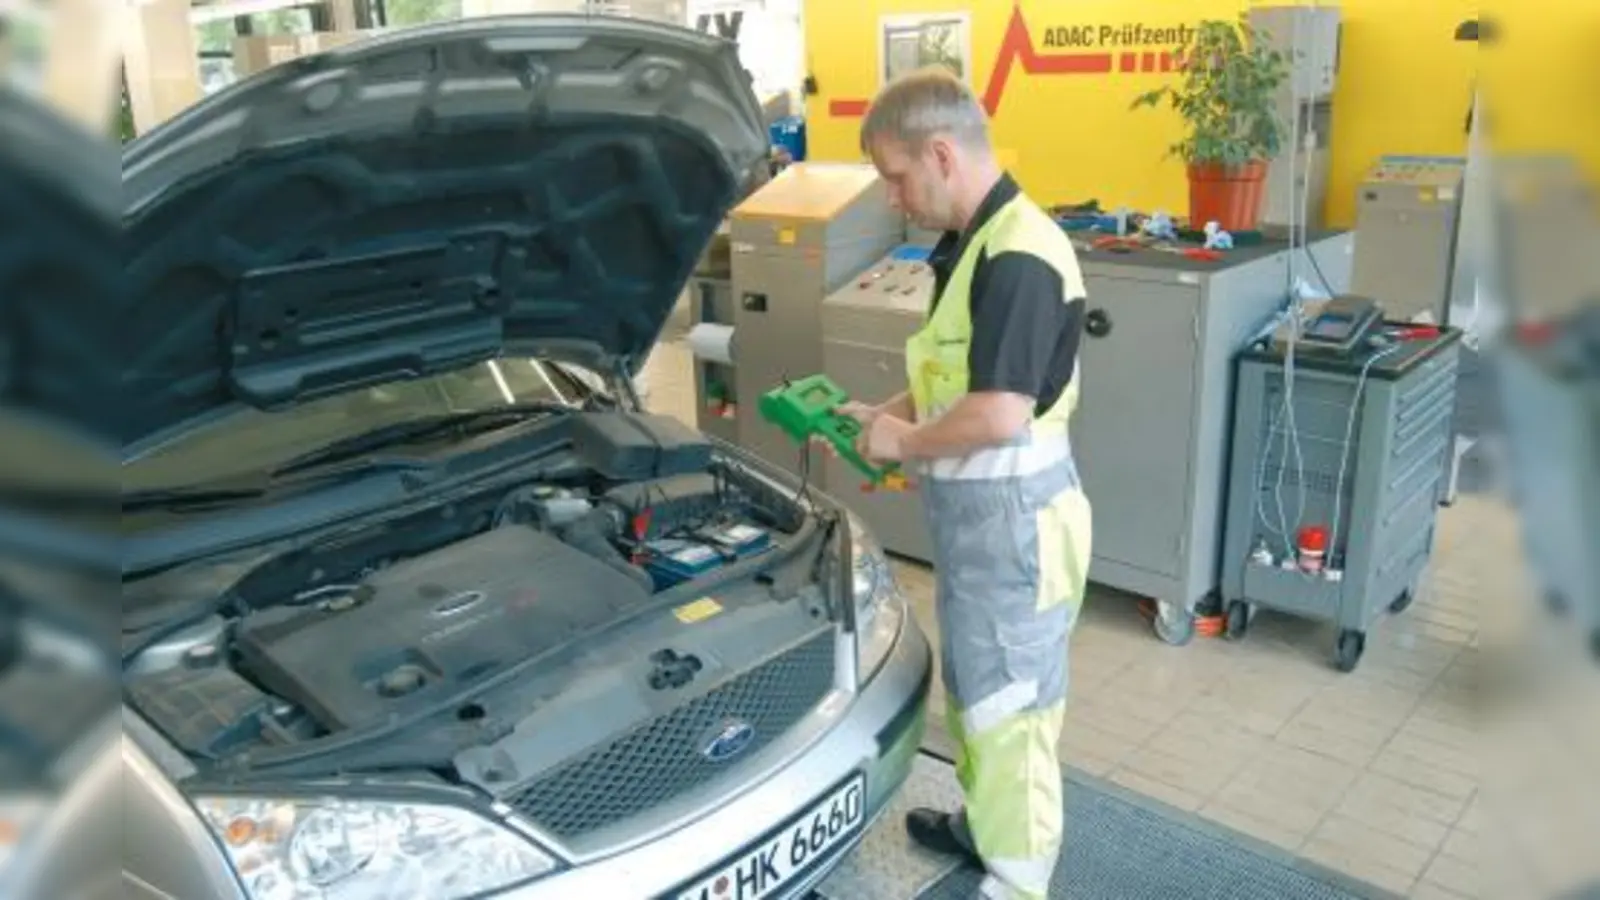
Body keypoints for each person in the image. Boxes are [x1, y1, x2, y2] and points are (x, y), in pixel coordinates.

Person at [844, 68, 1092, 900]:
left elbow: (995, 415)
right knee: (979, 692)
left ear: (942, 153)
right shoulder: (975, 243)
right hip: (983, 527)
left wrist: (906, 442)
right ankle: (986, 826)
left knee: (1010, 710)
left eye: (895, 175)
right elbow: (959, 379)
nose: (892, 197)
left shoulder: (1020, 254)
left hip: (1018, 529)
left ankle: (1018, 880)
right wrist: (885, 415)